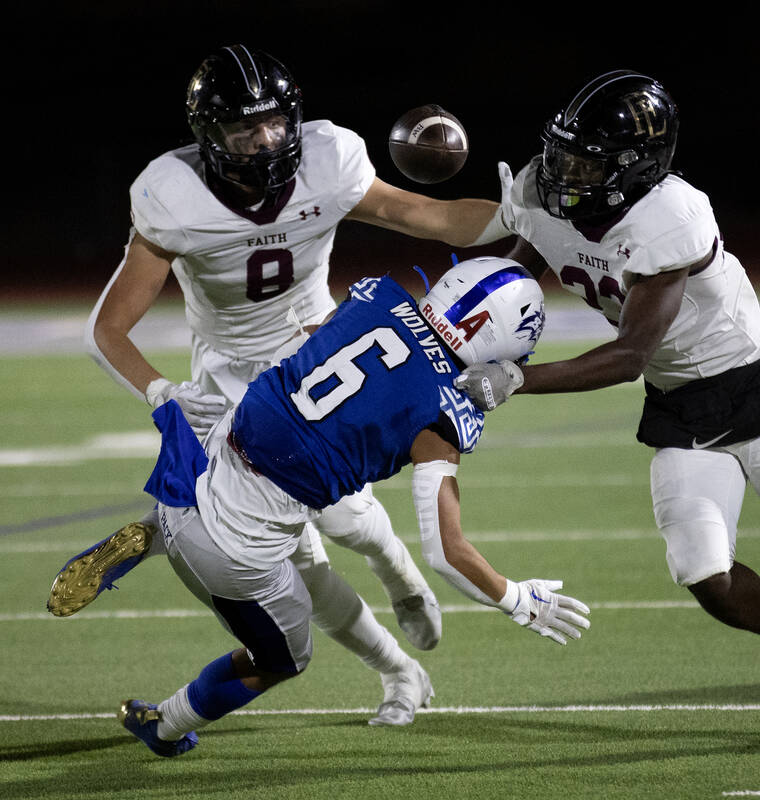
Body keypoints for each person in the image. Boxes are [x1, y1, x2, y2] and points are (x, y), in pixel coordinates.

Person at [49, 45, 512, 726]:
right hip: (231, 372)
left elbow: (430, 217)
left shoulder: (330, 159)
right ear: (209, 138)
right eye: (244, 130)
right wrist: (158, 391)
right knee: (290, 551)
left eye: (273, 124)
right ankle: (397, 664)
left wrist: (526, 213)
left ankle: (394, 583)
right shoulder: (172, 195)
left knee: (338, 520)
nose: (264, 141)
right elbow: (107, 331)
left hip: (318, 348)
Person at [452, 70, 760, 747]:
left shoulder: (673, 215)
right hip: (683, 409)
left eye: (585, 161)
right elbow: (513, 277)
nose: (563, 171)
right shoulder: (544, 195)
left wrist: (515, 377)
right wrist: (459, 327)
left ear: (636, 168)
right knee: (703, 572)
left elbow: (630, 353)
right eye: (561, 153)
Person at [82, 256, 589, 757]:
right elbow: (447, 551)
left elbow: (313, 339)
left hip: (195, 462)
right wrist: (518, 600)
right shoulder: (446, 413)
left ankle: (156, 528)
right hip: (233, 550)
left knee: (313, 514)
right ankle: (166, 725)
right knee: (286, 654)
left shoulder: (378, 296)